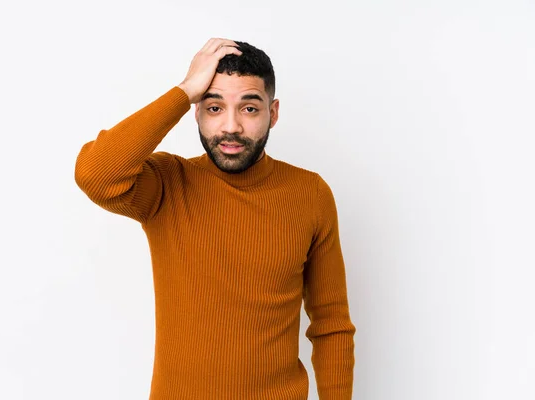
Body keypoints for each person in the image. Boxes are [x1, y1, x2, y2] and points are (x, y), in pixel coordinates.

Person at [74, 38, 356, 400]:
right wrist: (183, 91)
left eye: (250, 108)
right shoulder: (167, 183)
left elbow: (331, 325)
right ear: (196, 112)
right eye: (214, 107)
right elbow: (95, 175)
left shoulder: (310, 193)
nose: (231, 127)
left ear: (273, 112)